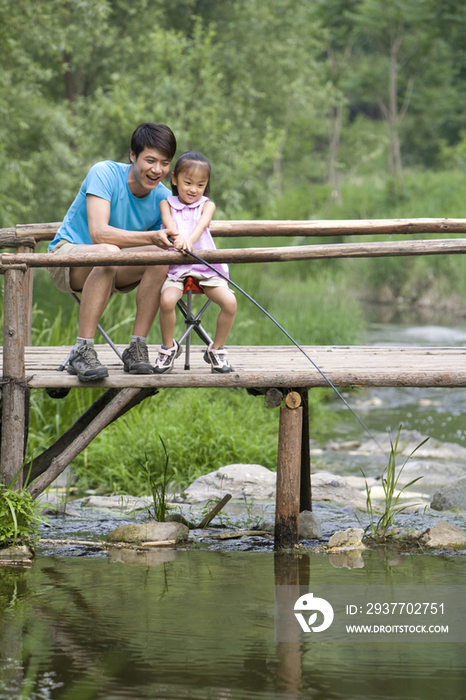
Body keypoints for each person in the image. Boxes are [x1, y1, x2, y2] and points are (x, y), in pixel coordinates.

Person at [47, 122, 181, 381]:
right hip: (68, 258)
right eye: (150, 160)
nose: (157, 170)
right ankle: (82, 349)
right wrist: (151, 236)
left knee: (159, 256)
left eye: (165, 163)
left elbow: (161, 241)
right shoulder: (104, 173)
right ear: (133, 155)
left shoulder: (163, 197)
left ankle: (137, 347)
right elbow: (98, 233)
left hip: (116, 264)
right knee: (108, 250)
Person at [154, 151, 237, 374]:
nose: (193, 189)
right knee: (167, 301)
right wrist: (177, 237)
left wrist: (189, 240)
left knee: (230, 303)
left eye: (200, 185)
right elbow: (169, 225)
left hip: (205, 266)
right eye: (188, 182)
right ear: (174, 179)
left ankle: (216, 349)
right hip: (176, 267)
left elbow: (202, 225)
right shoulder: (166, 204)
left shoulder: (207, 205)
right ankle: (169, 347)